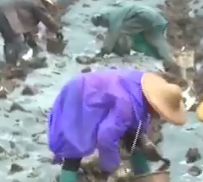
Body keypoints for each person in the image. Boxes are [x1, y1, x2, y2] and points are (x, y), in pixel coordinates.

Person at [48, 69, 188, 182]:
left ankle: (144, 177)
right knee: (74, 151)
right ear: (155, 104)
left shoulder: (142, 90)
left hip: (104, 95)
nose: (160, 116)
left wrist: (142, 139)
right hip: (81, 96)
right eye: (161, 112)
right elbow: (106, 138)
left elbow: (137, 118)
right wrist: (115, 168)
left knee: (135, 141)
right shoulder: (126, 106)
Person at [93, 4, 178, 70]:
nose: (103, 26)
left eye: (101, 24)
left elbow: (113, 33)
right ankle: (170, 63)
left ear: (101, 19)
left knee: (124, 31)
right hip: (157, 20)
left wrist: (104, 51)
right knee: (157, 42)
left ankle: (125, 53)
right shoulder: (120, 13)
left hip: (143, 15)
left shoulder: (113, 16)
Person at [0, 0, 63, 65]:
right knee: (14, 39)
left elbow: (25, 32)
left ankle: (10, 64)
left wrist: (34, 45)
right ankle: (11, 67)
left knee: (10, 40)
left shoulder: (23, 6)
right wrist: (57, 31)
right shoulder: (37, 3)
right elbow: (46, 19)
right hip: (3, 12)